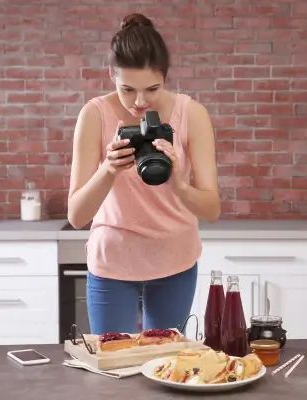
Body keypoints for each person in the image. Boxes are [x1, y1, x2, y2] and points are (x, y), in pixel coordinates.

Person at [67, 12, 221, 336]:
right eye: (127, 89)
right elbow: (78, 216)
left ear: (166, 77)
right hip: (113, 260)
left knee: (164, 368)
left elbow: (212, 209)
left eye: (152, 88)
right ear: (111, 74)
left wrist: (179, 184)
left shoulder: (191, 114)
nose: (139, 102)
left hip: (175, 259)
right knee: (113, 366)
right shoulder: (94, 115)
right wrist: (108, 168)